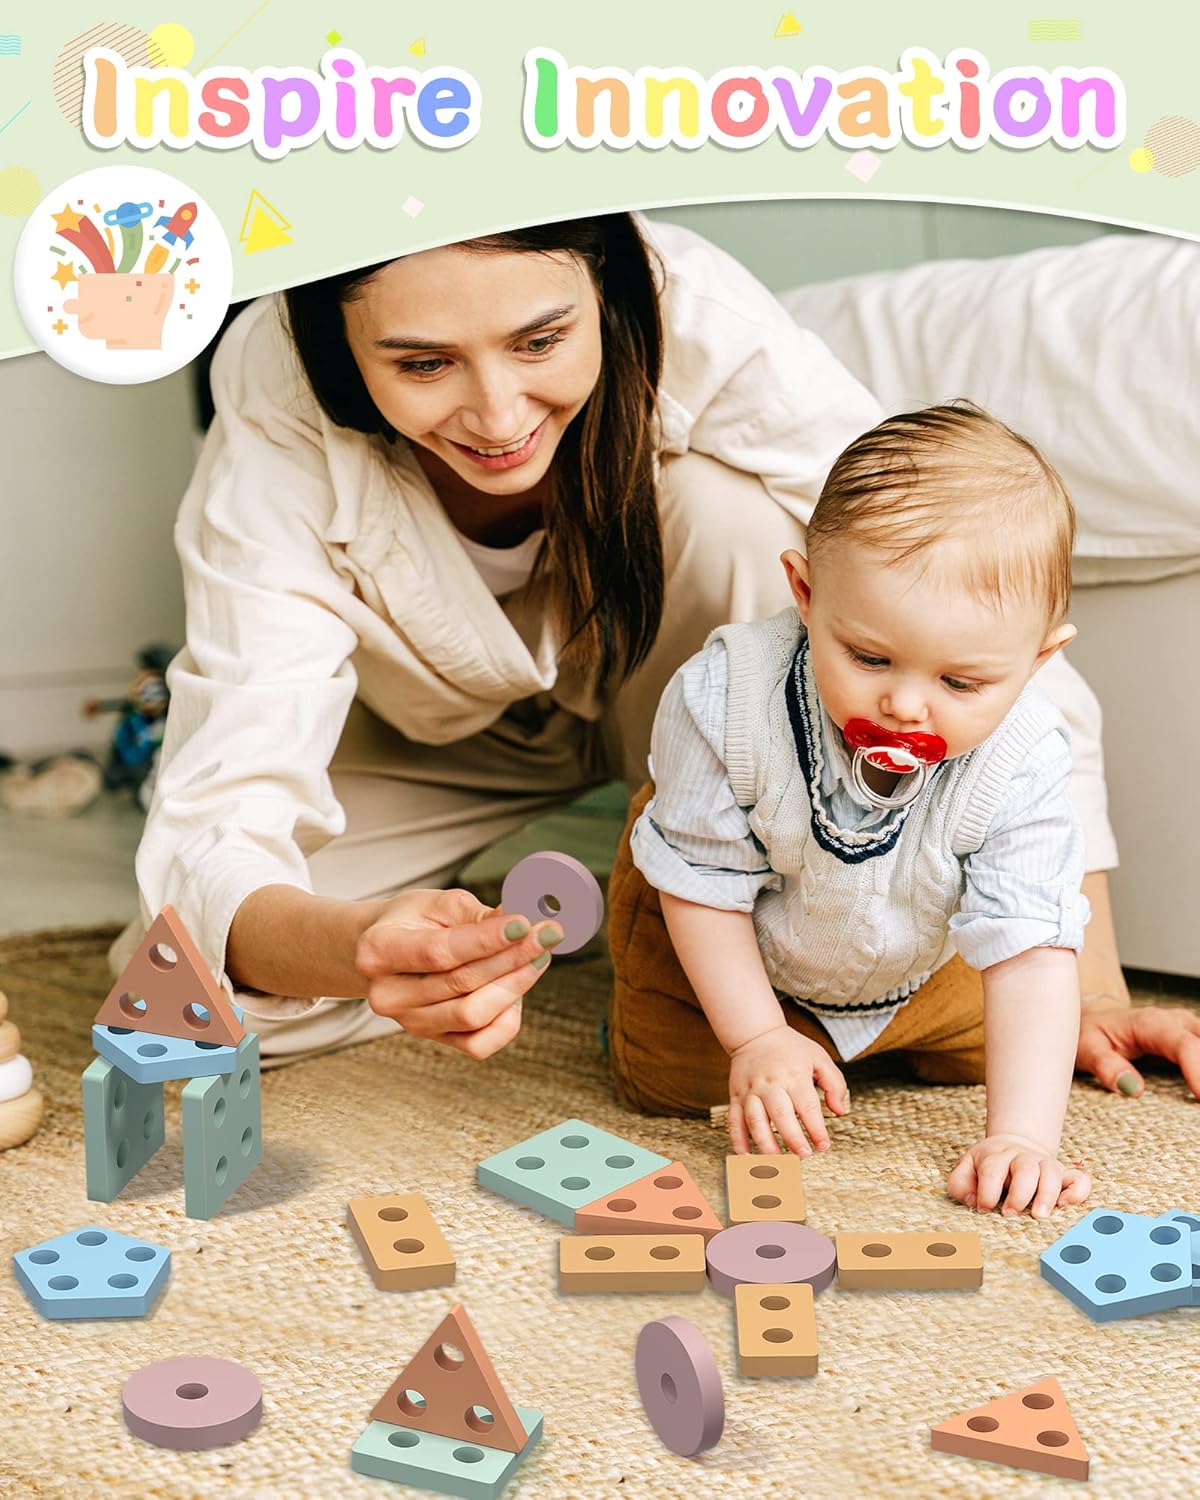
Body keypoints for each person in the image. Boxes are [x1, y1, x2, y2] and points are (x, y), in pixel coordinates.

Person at [114, 213, 1196, 1104]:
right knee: (175, 993)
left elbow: (963, 611)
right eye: (422, 363)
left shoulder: (696, 310)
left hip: (686, 688)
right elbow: (223, 818)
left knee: (729, 514)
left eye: (541, 342)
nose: (496, 416)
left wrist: (1094, 994)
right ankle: (619, 896)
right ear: (339, 354)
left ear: (609, 288)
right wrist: (359, 946)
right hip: (424, 735)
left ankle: (726, 910)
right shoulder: (277, 394)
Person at [615, 401, 1105, 1217]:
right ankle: (766, 1033)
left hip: (917, 954)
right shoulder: (724, 694)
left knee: (1014, 1047)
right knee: (667, 1082)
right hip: (719, 925)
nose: (907, 705)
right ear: (805, 593)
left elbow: (1028, 947)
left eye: (961, 682)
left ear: (1039, 660)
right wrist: (757, 1038)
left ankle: (877, 1044)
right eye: (869, 656)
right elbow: (702, 884)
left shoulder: (1026, 756)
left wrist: (1025, 1137)